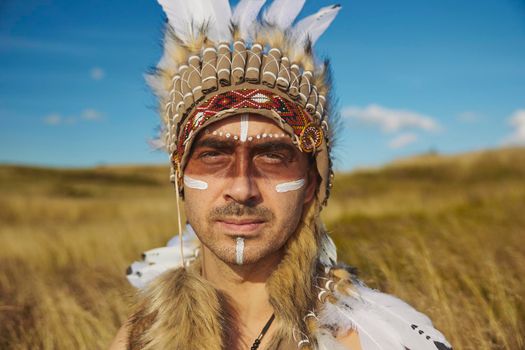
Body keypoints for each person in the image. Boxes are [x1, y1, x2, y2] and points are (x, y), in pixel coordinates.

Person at [110, 1, 453, 349]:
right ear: (180, 179)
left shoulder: (367, 338)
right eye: (213, 155)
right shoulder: (142, 335)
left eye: (273, 156)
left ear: (311, 185)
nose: (242, 189)